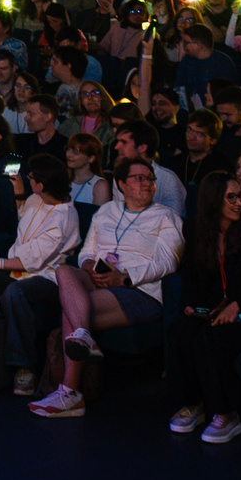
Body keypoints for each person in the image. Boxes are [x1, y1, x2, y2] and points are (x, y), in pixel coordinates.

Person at [27, 156, 184, 418]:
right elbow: (86, 252)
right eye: (139, 178)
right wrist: (89, 267)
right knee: (65, 271)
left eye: (151, 180)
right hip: (99, 279)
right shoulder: (107, 211)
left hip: (140, 290)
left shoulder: (166, 216)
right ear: (121, 184)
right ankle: (80, 345)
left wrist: (123, 277)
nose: (147, 184)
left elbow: (168, 262)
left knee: (72, 309)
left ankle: (70, 392)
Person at [165, 173, 241, 443]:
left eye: (240, 196)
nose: (239, 203)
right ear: (213, 201)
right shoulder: (197, 231)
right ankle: (193, 403)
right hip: (213, 311)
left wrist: (238, 305)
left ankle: (226, 412)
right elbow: (191, 277)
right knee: (180, 330)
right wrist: (190, 306)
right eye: (231, 197)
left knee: (212, 337)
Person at [0, 151, 80, 398]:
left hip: (47, 277)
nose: (27, 177)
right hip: (18, 269)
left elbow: (33, 259)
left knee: (15, 291)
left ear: (42, 183)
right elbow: (25, 221)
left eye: (31, 176)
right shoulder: (36, 199)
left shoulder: (64, 217)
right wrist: (19, 195)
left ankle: (22, 366)